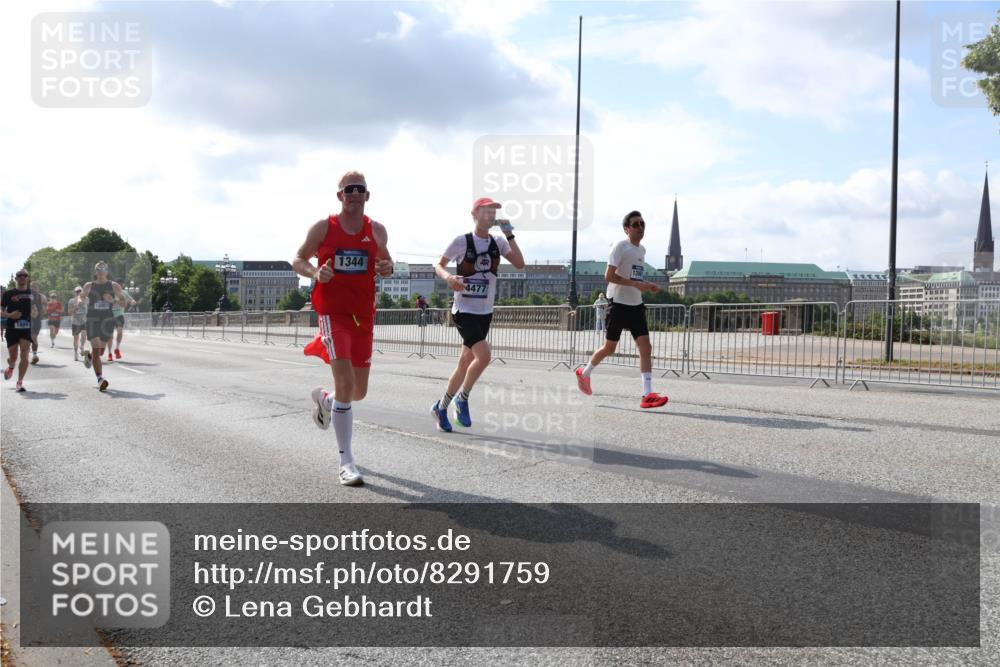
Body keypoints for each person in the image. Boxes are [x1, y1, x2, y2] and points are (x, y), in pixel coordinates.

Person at [294, 170, 394, 487]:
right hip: (332, 313)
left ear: (367, 195)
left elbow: (386, 264)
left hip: (362, 315)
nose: (353, 193)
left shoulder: (376, 231)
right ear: (340, 196)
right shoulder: (325, 227)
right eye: (347, 189)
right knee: (346, 380)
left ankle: (327, 401)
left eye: (359, 189)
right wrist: (314, 272)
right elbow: (298, 259)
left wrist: (386, 267)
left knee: (357, 392)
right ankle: (346, 461)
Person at [430, 197, 525, 432]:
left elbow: (520, 264)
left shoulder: (499, 242)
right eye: (486, 211)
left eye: (493, 212)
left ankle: (441, 407)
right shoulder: (461, 241)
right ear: (474, 214)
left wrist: (510, 234)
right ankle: (462, 399)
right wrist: (449, 278)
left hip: (485, 312)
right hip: (464, 310)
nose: (491, 215)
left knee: (465, 363)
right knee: (483, 356)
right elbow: (438, 265)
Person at [575, 210, 669, 409]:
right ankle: (585, 373)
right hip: (618, 304)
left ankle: (647, 394)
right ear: (627, 229)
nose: (640, 227)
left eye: (642, 223)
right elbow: (608, 276)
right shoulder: (620, 247)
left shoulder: (642, 250)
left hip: (636, 305)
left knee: (646, 347)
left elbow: (633, 278)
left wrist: (646, 284)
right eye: (636, 224)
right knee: (610, 349)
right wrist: (636, 285)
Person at [79, 261, 127, 392]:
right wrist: (80, 302)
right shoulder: (89, 285)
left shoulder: (114, 286)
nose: (101, 271)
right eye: (98, 269)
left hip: (107, 320)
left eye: (103, 269)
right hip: (92, 320)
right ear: (95, 272)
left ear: (107, 271)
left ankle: (89, 357)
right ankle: (100, 379)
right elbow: (81, 297)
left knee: (100, 352)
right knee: (96, 349)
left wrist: (113, 300)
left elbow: (124, 303)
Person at [2, 270, 37, 391]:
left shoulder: (33, 293)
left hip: (26, 328)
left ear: (27, 278)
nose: (22, 277)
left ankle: (20, 382)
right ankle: (11, 367)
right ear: (16, 278)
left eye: (25, 276)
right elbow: (1, 311)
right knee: (13, 357)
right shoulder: (8, 293)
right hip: (11, 328)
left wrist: (35, 312)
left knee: (25, 354)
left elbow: (36, 309)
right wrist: (10, 315)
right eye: (19, 276)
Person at [106, 285, 136, 362]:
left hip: (119, 315)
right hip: (109, 316)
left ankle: (117, 348)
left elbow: (131, 300)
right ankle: (109, 353)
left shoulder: (123, 293)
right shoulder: (108, 293)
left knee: (120, 332)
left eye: (118, 286)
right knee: (110, 336)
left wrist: (132, 302)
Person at [28, 281, 47, 364]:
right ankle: (32, 354)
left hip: (36, 320)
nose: (33, 288)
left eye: (35, 287)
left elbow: (45, 308)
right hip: (27, 320)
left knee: (34, 337)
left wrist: (41, 311)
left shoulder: (41, 297)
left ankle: (34, 355)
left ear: (38, 288)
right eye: (32, 286)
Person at [68, 286, 88, 361]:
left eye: (80, 291)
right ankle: (75, 353)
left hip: (84, 321)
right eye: (77, 292)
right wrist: (75, 308)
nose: (79, 293)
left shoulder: (87, 299)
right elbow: (69, 312)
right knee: (76, 338)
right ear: (75, 293)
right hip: (75, 321)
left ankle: (82, 346)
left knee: (84, 335)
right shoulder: (71, 301)